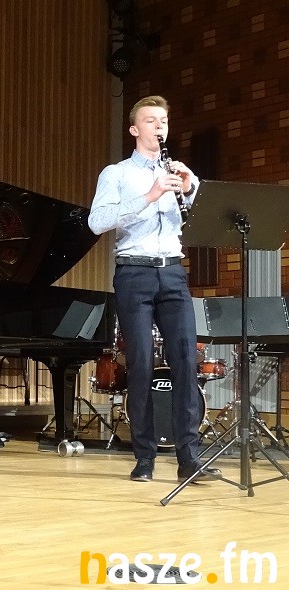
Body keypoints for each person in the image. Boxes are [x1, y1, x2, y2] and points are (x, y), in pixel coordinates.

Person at [88, 95, 221, 483]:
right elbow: (97, 221)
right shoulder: (117, 173)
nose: (159, 125)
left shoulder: (178, 171)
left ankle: (188, 458)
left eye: (163, 120)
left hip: (173, 272)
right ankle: (144, 458)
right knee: (142, 364)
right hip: (135, 273)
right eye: (151, 120)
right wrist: (150, 194)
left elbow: (203, 222)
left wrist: (192, 189)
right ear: (135, 129)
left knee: (186, 361)